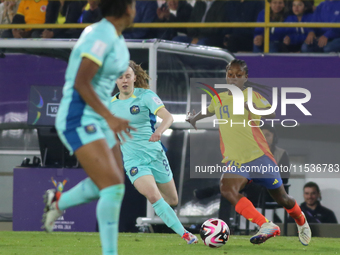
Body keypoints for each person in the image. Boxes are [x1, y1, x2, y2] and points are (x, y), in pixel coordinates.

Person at [41, 1, 136, 255]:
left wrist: (107, 118)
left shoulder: (114, 35)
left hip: (99, 117)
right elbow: (82, 82)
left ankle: (58, 201)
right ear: (128, 8)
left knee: (112, 182)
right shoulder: (101, 34)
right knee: (113, 186)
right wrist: (110, 117)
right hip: (79, 117)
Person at [186, 59, 311, 245]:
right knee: (227, 189)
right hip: (235, 159)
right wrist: (194, 118)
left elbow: (271, 113)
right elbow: (210, 110)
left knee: (282, 199)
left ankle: (301, 221)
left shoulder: (251, 95)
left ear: (245, 77)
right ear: (226, 76)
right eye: (230, 75)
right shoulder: (218, 98)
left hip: (258, 156)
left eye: (238, 75)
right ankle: (265, 224)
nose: (234, 78)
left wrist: (250, 107)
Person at [109, 60, 198, 244]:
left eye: (127, 76)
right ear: (115, 80)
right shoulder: (111, 106)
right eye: (120, 77)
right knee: (154, 197)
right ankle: (186, 235)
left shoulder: (146, 96)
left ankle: (156, 194)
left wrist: (159, 132)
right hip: (134, 162)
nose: (124, 80)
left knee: (172, 200)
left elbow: (168, 117)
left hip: (155, 155)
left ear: (134, 77)